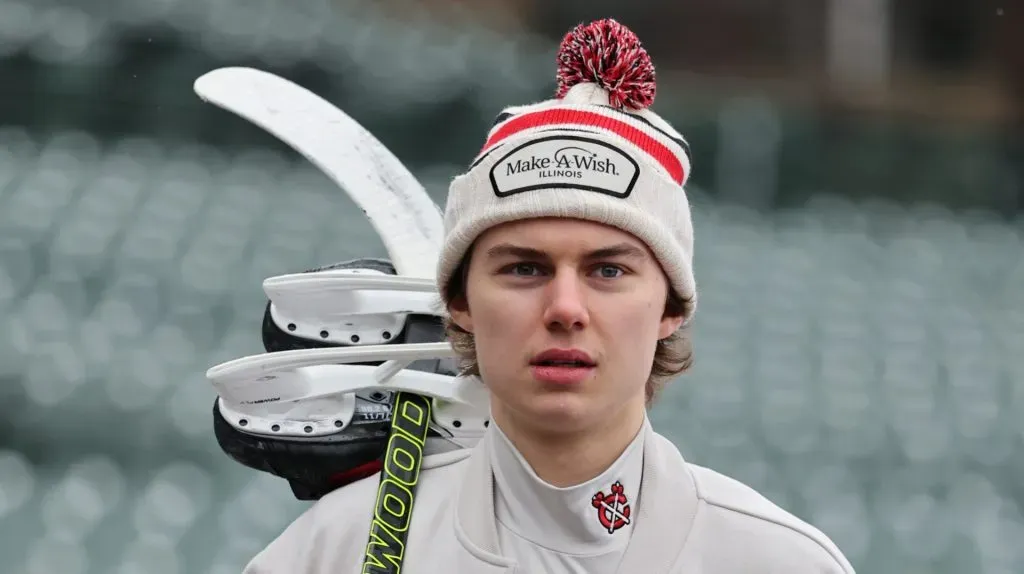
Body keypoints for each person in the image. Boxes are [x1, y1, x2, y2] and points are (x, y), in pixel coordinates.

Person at [243, 18, 855, 574]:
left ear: (671, 307)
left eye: (609, 271)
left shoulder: (777, 561)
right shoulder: (332, 551)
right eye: (525, 270)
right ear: (459, 302)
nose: (565, 308)